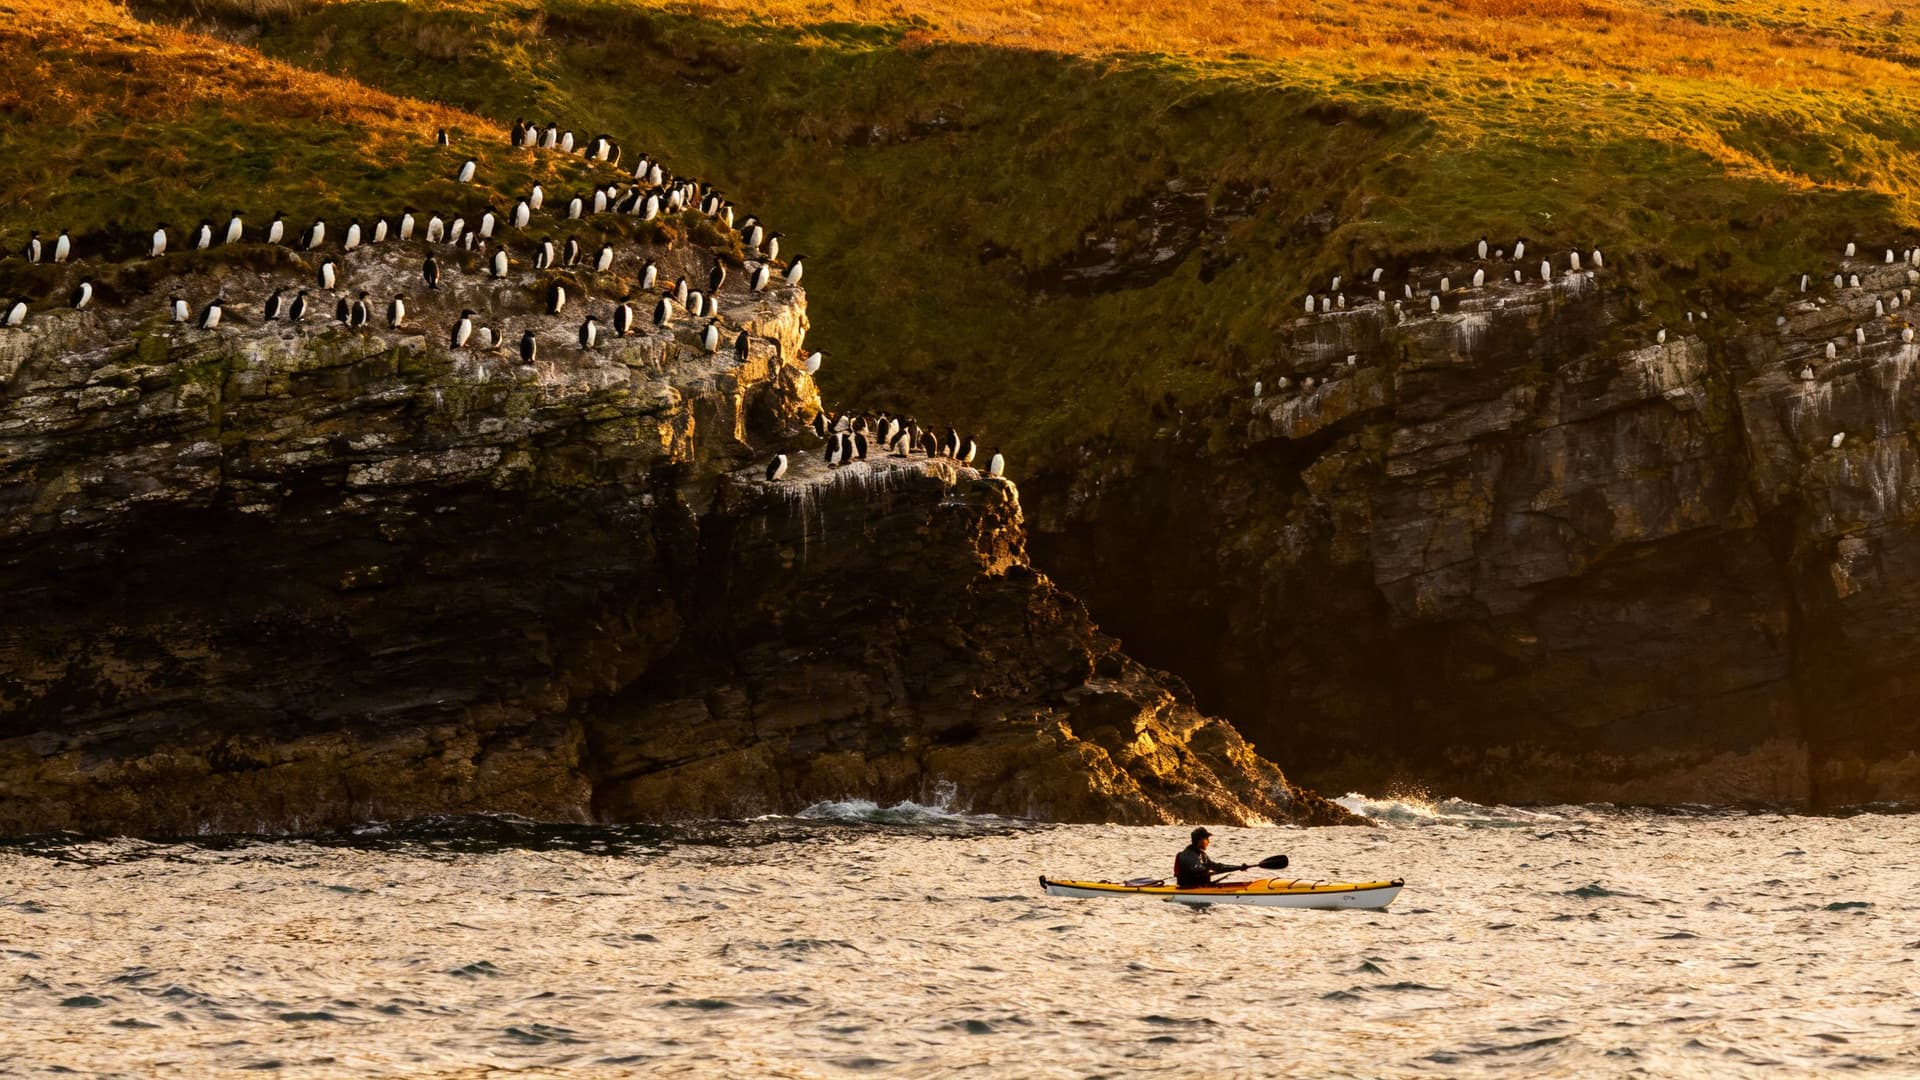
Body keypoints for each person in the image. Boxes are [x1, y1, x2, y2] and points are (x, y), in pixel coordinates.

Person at [1174, 827, 1247, 888]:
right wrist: (1212, 870)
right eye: (1206, 839)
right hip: (1188, 888)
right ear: (1199, 840)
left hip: (1201, 886)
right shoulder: (1187, 855)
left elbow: (1216, 866)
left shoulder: (1202, 855)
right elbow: (1198, 870)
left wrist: (1239, 867)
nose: (1208, 841)